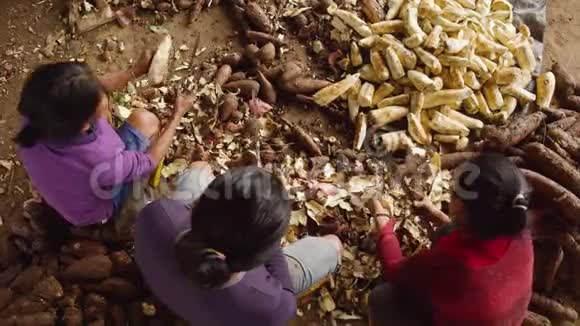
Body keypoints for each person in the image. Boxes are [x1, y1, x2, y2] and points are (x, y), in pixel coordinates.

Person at [135, 165, 342, 326]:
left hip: (166, 279)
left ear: (199, 208)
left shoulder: (157, 214)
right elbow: (284, 286)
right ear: (259, 257)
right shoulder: (269, 305)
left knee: (200, 168)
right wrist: (271, 240)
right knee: (334, 245)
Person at [15, 56, 192, 226]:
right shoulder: (100, 158)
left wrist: (135, 71)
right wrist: (177, 115)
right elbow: (148, 162)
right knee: (147, 121)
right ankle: (116, 218)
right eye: (103, 107)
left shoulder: (36, 113)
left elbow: (91, 87)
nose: (106, 102)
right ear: (84, 125)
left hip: (64, 188)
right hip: (96, 209)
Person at [369, 152, 534, 326]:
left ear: (461, 206)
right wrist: (436, 214)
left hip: (469, 303)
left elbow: (394, 269)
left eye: (453, 191)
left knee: (382, 298)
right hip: (501, 313)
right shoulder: (518, 227)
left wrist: (384, 225)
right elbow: (479, 242)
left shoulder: (455, 262)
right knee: (447, 230)